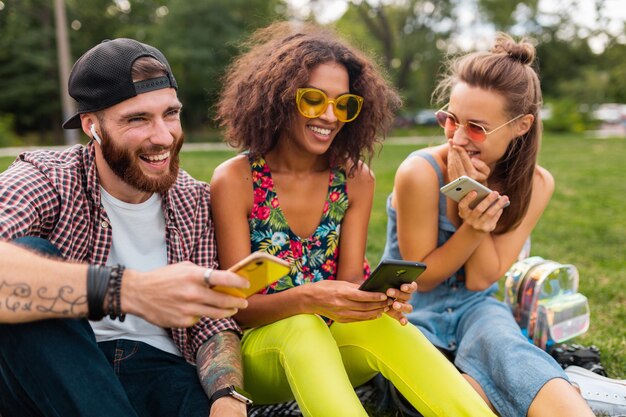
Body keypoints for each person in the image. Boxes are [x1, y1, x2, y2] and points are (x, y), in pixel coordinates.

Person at [210, 21, 498, 417]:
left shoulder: (354, 179)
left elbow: (347, 280)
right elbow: (236, 309)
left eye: (344, 104)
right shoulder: (236, 180)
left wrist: (375, 301)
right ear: (278, 98)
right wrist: (307, 299)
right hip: (260, 355)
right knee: (303, 326)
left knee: (386, 327)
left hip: (333, 345)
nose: (330, 116)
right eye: (313, 100)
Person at [0, 38, 252, 417]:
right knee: (33, 255)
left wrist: (228, 395)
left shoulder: (196, 200)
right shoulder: (47, 178)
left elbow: (210, 320)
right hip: (56, 368)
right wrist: (127, 290)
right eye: (137, 119)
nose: (164, 137)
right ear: (92, 126)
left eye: (170, 113)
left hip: (158, 369)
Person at [382, 32, 596, 416]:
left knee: (509, 350)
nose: (458, 138)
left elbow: (481, 281)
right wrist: (473, 224)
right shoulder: (419, 172)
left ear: (521, 125)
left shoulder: (537, 184)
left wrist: (476, 202)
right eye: (451, 120)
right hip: (412, 312)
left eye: (477, 127)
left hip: (477, 307)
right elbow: (423, 278)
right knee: (435, 381)